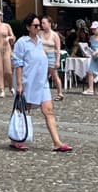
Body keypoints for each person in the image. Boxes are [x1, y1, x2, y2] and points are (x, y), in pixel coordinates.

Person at [11, 17, 72, 153]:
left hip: (41, 81)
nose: (39, 28)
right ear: (28, 27)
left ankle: (57, 142)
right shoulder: (22, 42)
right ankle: (17, 138)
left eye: (40, 26)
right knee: (24, 109)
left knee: (49, 110)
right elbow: (18, 63)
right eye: (36, 26)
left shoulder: (39, 41)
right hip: (28, 81)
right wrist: (20, 84)